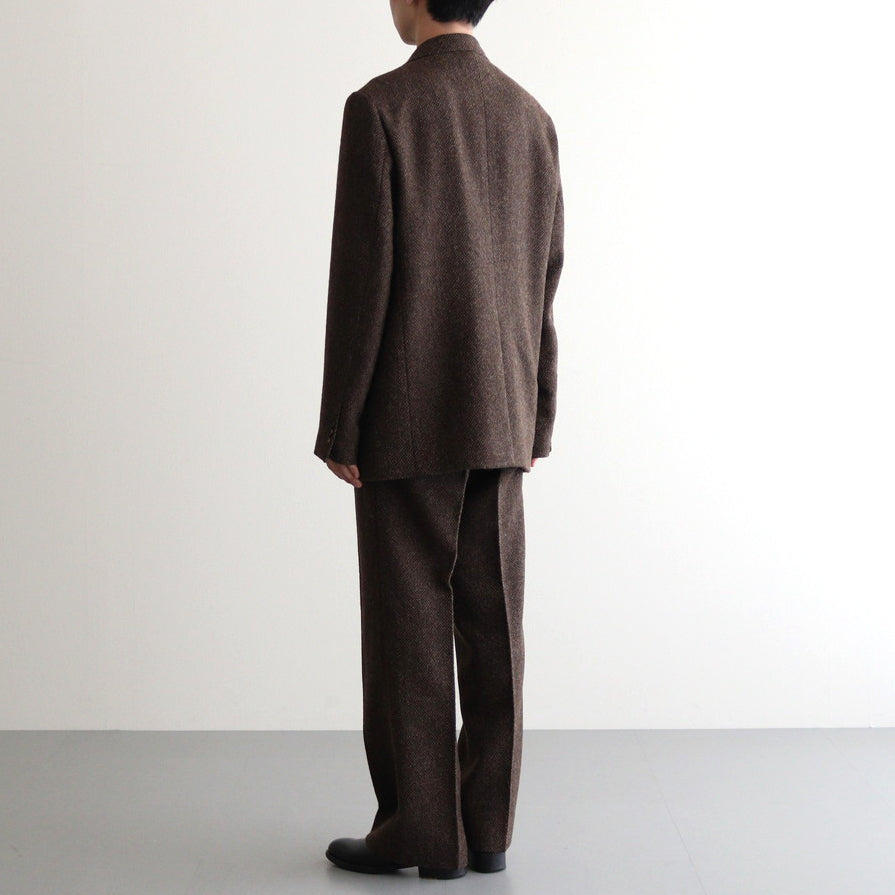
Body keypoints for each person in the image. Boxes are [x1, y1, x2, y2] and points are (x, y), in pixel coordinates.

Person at [314, 0, 564, 881]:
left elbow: (363, 277)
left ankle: (420, 832)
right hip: (501, 412)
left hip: (407, 413)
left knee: (407, 624)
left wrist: (341, 419)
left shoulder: (381, 107)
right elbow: (543, 278)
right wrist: (537, 408)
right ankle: (487, 828)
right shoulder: (529, 116)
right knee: (494, 623)